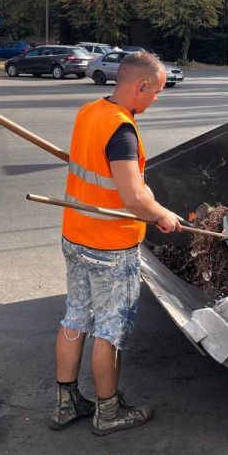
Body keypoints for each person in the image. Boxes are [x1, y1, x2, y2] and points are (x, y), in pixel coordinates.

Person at [51, 51, 182, 435]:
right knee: (109, 331)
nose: (156, 99)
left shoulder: (90, 112)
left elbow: (96, 172)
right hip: (109, 247)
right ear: (140, 86)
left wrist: (145, 196)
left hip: (75, 236)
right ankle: (108, 413)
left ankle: (66, 402)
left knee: (75, 317)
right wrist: (161, 215)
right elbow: (133, 199)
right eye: (156, 92)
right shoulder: (122, 132)